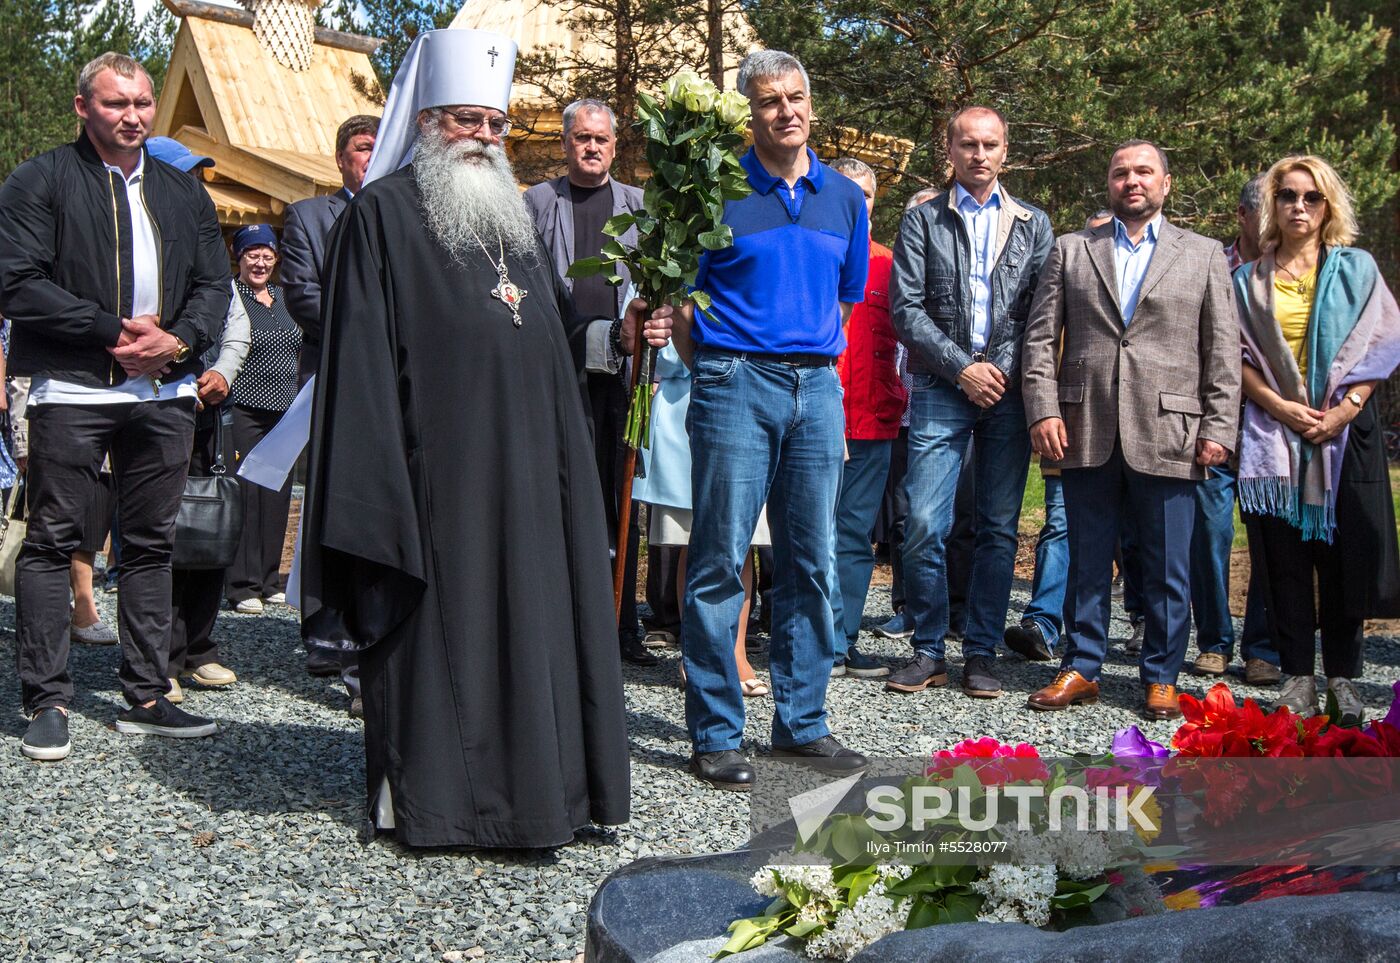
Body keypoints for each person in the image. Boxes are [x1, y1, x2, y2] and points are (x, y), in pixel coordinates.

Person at [299, 29, 671, 847]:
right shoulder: (382, 215)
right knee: (449, 638)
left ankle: (541, 798)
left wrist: (621, 334)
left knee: (535, 628)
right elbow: (358, 361)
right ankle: (437, 802)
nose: (486, 138)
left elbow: (550, 337)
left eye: (496, 124)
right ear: (428, 122)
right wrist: (384, 487)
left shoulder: (512, 218)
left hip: (532, 475)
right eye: (469, 120)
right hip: (439, 479)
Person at [0, 52, 229, 761]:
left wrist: (177, 341)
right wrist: (110, 331)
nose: (132, 116)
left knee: (151, 543)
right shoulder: (40, 180)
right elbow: (17, 281)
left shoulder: (183, 191)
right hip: (73, 386)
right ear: (83, 108)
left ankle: (148, 693)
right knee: (53, 539)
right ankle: (47, 698)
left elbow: (214, 286)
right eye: (115, 104)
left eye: (141, 103)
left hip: (163, 389)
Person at [672, 49, 870, 792]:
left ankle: (803, 723)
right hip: (734, 381)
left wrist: (806, 362)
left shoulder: (844, 198)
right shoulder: (716, 191)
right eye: (768, 101)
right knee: (721, 558)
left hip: (817, 388)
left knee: (812, 560)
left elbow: (844, 300)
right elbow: (684, 302)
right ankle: (717, 732)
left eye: (796, 98)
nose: (785, 111)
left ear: (811, 105)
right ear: (749, 116)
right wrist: (717, 369)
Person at [1022, 140, 1241, 721]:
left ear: (1166, 184)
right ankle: (1081, 666)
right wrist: (1043, 409)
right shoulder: (1072, 250)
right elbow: (1040, 340)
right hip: (1084, 425)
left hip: (1172, 429)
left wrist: (1220, 425)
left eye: (1144, 171)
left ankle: (1162, 675)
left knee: (1169, 565)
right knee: (1087, 559)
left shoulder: (1203, 254)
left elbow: (1222, 350)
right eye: (1121, 173)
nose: (1132, 181)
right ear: (1110, 184)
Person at [886, 106, 1053, 699]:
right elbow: (905, 309)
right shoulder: (922, 220)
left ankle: (980, 652)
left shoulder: (1034, 224)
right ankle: (929, 648)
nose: (979, 154)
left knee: (998, 527)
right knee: (923, 521)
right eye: (968, 144)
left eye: (989, 144)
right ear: (949, 149)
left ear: (1005, 150)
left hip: (1006, 392)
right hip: (941, 386)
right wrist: (962, 368)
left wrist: (997, 371)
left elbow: (1040, 313)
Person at [1234, 155, 1400, 721]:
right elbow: (1236, 357)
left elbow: (1383, 343)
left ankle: (1344, 680)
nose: (1298, 206)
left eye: (1311, 197)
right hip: (1273, 435)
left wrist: (1345, 409)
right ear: (1272, 205)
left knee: (1345, 559)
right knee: (1281, 561)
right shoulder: (1247, 281)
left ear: (1328, 206)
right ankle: (1297, 677)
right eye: (1287, 195)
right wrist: (1281, 406)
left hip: (1346, 434)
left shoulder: (1357, 269)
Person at [523, 98, 656, 667]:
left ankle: (621, 622)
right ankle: (561, 623)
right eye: (582, 138)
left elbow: (656, 290)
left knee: (619, 500)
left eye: (601, 138)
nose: (592, 147)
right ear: (565, 143)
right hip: (557, 374)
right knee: (557, 496)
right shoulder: (536, 203)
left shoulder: (639, 208)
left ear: (615, 145)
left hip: (622, 380)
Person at [633, 343, 770, 697]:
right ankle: (696, 652)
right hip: (685, 411)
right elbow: (659, 357)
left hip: (748, 404)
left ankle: (736, 651)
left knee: (743, 541)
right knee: (693, 539)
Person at [828, 156, 903, 678]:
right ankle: (809, 637)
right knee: (809, 532)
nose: (857, 202)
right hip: (816, 418)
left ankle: (841, 641)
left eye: (866, 194)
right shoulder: (815, 252)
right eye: (846, 191)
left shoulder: (892, 265)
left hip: (872, 422)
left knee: (854, 536)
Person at [223, 225, 301, 615]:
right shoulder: (230, 296)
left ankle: (269, 579)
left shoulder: (286, 297)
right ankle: (242, 584)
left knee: (277, 495)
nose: (260, 262)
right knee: (246, 495)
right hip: (244, 408)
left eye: (267, 255)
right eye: (252, 254)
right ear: (238, 257)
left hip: (285, 412)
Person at [280, 114, 379, 385]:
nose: (373, 157)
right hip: (334, 364)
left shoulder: (406, 216)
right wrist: (365, 332)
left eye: (379, 149)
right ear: (340, 159)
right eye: (364, 148)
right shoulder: (307, 217)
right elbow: (303, 294)